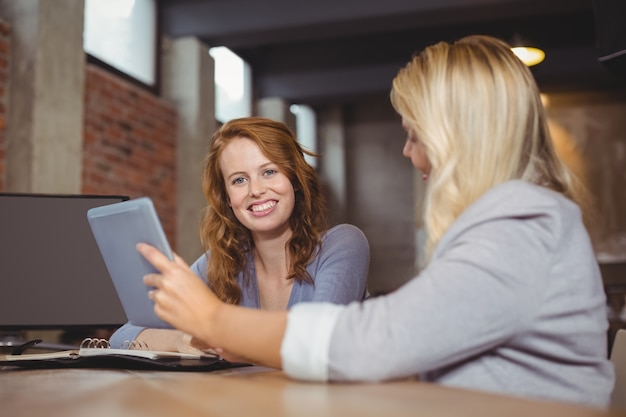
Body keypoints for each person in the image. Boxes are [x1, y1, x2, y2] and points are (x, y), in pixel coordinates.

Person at [138, 35, 615, 408]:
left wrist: (216, 321)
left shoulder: (522, 227)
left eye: (414, 134)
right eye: (239, 180)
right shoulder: (516, 221)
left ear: (461, 134)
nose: (408, 152)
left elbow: (372, 342)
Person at [109, 117, 370, 351]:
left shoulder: (342, 245)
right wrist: (182, 340)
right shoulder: (222, 263)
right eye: (239, 180)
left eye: (269, 172)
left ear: (295, 181)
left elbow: (316, 341)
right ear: (227, 200)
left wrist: (217, 327)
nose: (255, 190)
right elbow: (123, 335)